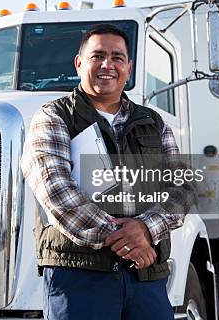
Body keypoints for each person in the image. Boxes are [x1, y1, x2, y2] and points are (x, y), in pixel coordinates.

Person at [21, 23, 195, 319]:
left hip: (146, 277)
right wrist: (128, 240)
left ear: (128, 66)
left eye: (117, 57)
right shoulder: (54, 116)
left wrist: (144, 229)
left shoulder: (155, 123)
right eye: (97, 56)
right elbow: (56, 191)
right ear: (79, 63)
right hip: (80, 277)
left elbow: (183, 190)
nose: (107, 65)